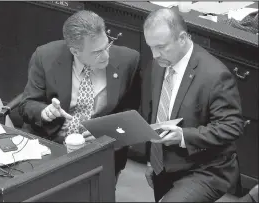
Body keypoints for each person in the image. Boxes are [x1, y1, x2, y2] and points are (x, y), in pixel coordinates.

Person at [18, 10, 141, 184]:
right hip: (50, 141)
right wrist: (45, 112)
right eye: (97, 52)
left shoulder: (129, 60)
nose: (106, 55)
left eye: (107, 45)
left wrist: (108, 131)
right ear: (75, 51)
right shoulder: (45, 56)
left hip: (97, 146)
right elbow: (27, 104)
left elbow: (133, 112)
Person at [140, 8, 244, 202]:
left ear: (182, 38)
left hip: (206, 167)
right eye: (151, 47)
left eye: (161, 47)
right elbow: (154, 113)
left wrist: (183, 136)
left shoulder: (215, 75)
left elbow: (232, 127)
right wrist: (150, 161)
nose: (154, 54)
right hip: (165, 163)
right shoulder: (159, 63)